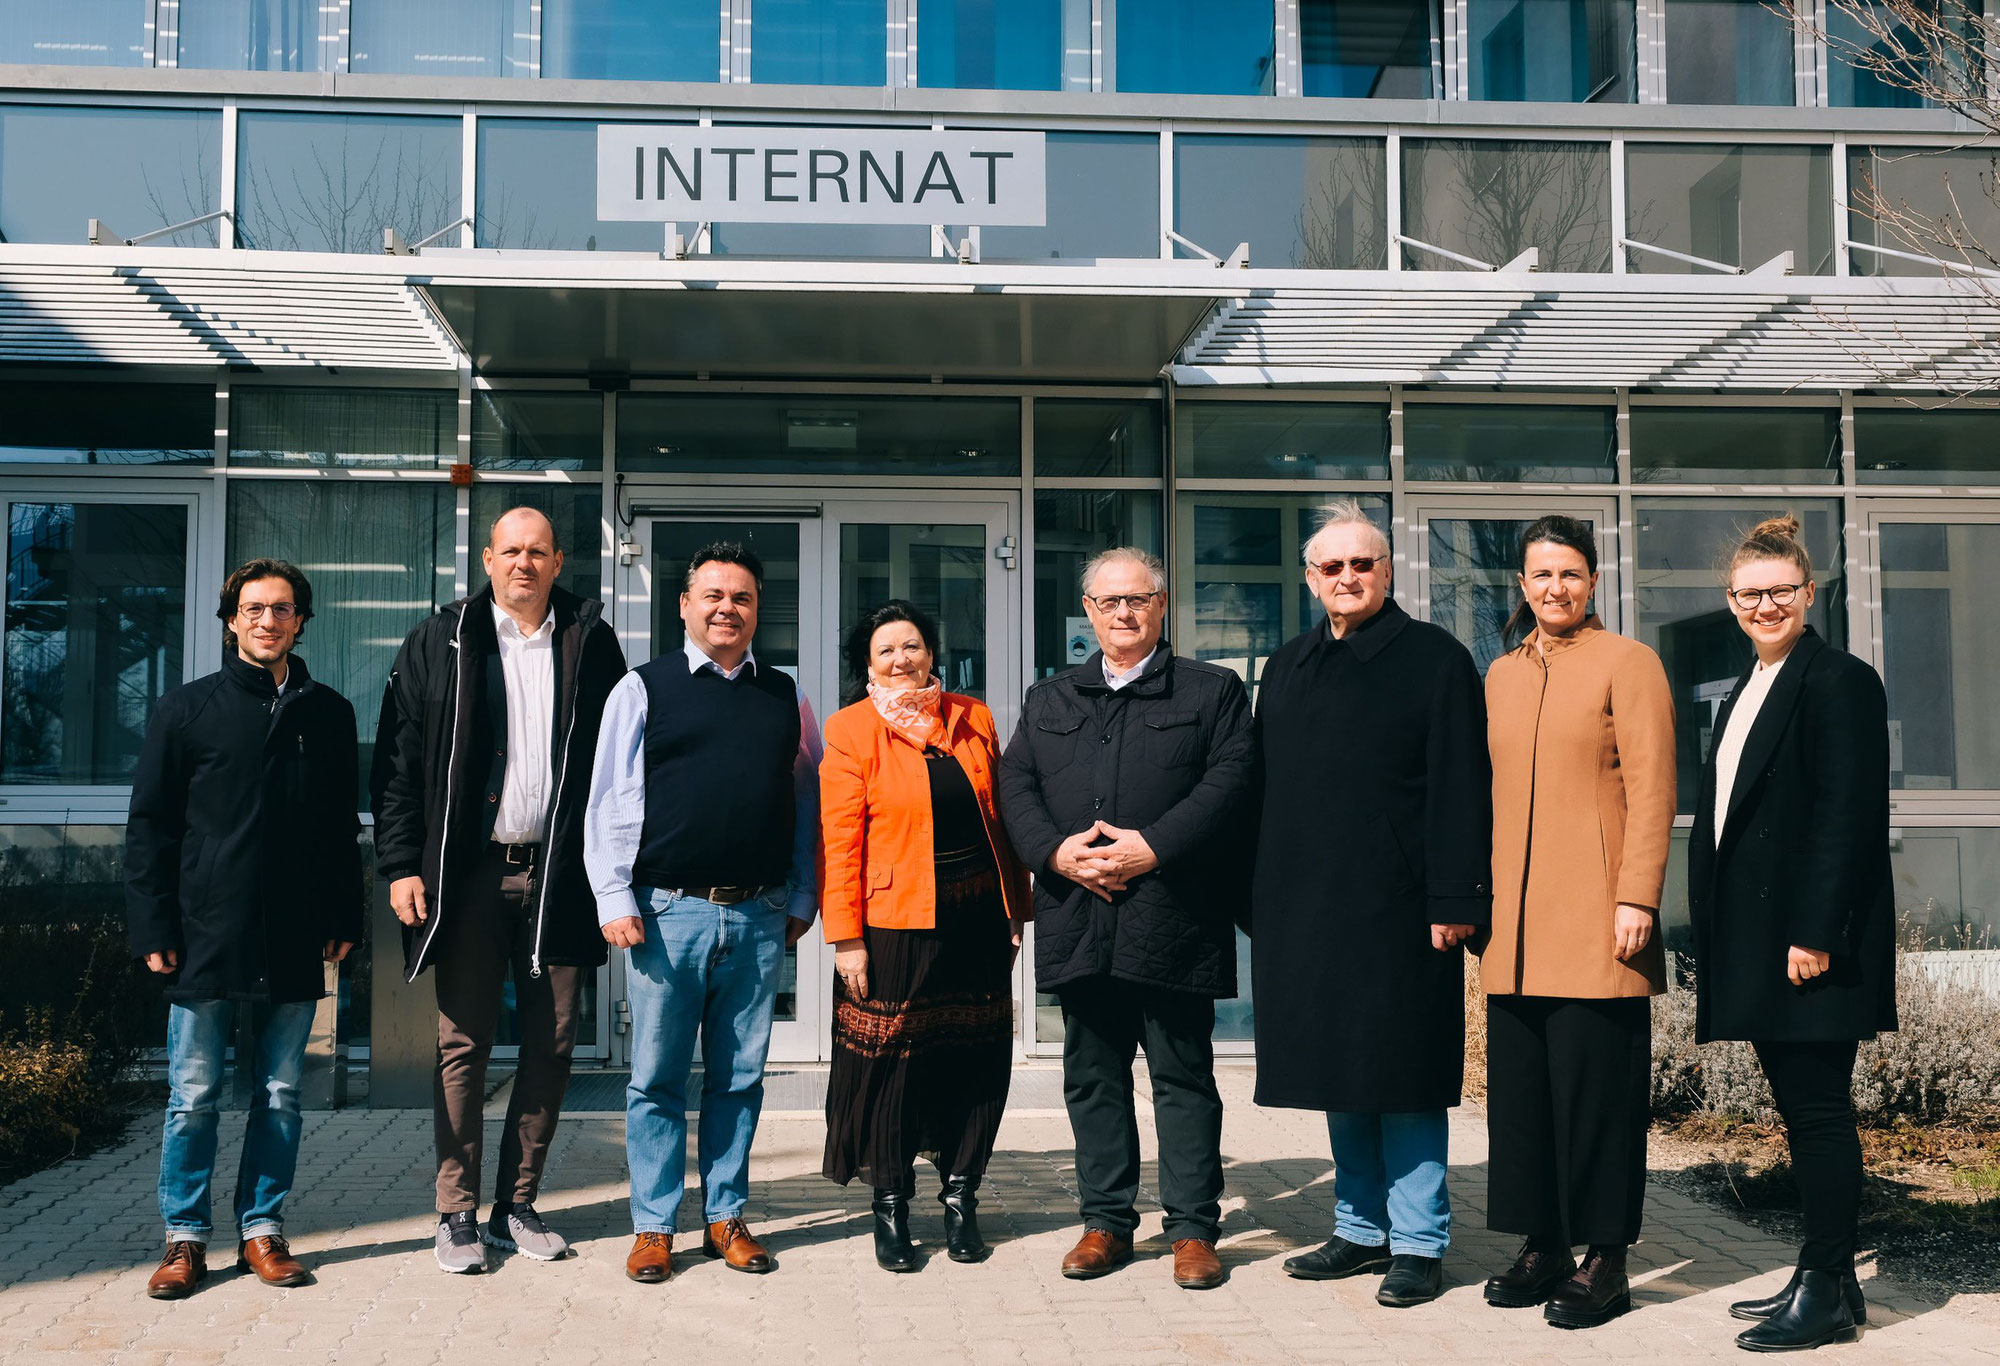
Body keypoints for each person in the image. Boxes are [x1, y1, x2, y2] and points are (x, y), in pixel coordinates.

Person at [371, 507, 626, 1274]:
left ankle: (517, 1203)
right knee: (463, 1042)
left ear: (557, 563)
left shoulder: (592, 640)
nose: (524, 563)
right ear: (487, 560)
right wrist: (400, 865)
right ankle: (455, 1213)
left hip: (560, 877)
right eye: (510, 550)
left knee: (550, 1044)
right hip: (468, 873)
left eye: (538, 552)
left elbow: (620, 764)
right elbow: (397, 762)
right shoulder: (440, 639)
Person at [1251, 499, 1492, 1309]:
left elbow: (1463, 786)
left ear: (1388, 572)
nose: (1347, 577)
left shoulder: (1435, 658)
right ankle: (1358, 1228)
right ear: (1310, 577)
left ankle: (1419, 1242)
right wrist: (1259, 898)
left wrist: (1456, 896)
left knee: (1405, 1075)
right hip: (1307, 910)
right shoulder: (1287, 665)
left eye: (1363, 564)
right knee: (1339, 1071)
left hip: (1403, 908)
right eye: (1332, 566)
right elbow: (1263, 793)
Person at [997, 548, 1254, 1291]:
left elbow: (1232, 781)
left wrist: (1154, 847)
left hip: (1173, 916)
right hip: (1082, 914)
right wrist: (1054, 854)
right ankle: (1105, 1222)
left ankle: (1193, 1232)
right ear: (1088, 611)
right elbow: (1015, 783)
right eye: (1108, 603)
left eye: (1137, 599)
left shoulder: (1212, 691)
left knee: (1182, 1076)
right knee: (1093, 1075)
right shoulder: (1052, 699)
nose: (1123, 613)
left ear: (1162, 605)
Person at [584, 541, 822, 1286]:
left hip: (756, 917)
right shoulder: (642, 688)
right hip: (667, 914)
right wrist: (614, 895)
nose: (727, 607)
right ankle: (654, 1226)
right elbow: (611, 800)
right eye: (712, 595)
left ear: (758, 612)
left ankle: (725, 1215)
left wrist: (802, 892)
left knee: (739, 1078)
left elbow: (804, 804)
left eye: (742, 597)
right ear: (684, 606)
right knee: (655, 1078)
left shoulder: (787, 697)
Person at [126, 559, 362, 1299]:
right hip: (204, 931)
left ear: (302, 620)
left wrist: (343, 917)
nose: (268, 621)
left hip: (295, 934)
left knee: (280, 1093)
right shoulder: (185, 711)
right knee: (193, 1095)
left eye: (283, 609)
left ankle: (262, 1230)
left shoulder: (329, 714)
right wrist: (152, 923)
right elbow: (151, 828)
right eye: (254, 609)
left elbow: (337, 831)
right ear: (231, 620)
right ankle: (185, 1239)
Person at [1690, 515, 1896, 1352]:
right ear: (1730, 602)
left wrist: (1814, 932)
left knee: (1816, 1114)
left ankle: (1821, 1286)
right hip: (1763, 937)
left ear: (1810, 593)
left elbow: (1845, 818)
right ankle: (1835, 1277)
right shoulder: (1749, 687)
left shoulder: (1839, 680)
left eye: (1780, 591)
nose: (1765, 605)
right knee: (1802, 1109)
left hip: (1810, 944)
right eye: (1750, 594)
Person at [1479, 516, 1676, 1329]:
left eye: (1569, 573)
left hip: (1599, 918)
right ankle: (1543, 1243)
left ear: (1593, 580)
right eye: (1539, 574)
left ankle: (1606, 1259)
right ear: (1521, 585)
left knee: (1597, 1098)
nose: (1554, 587)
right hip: (1514, 929)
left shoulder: (1629, 664)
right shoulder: (1499, 674)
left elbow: (1655, 789)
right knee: (1523, 1097)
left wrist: (1638, 897)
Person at [818, 599, 1031, 1272]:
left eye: (912, 646)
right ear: (867, 665)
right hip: (894, 925)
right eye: (886, 650)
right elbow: (839, 840)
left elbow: (1002, 816)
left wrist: (1016, 909)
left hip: (977, 919)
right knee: (893, 1070)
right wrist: (845, 937)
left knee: (976, 1060)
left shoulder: (974, 718)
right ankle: (892, 1205)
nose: (902, 659)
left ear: (932, 655)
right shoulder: (851, 730)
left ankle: (962, 1199)